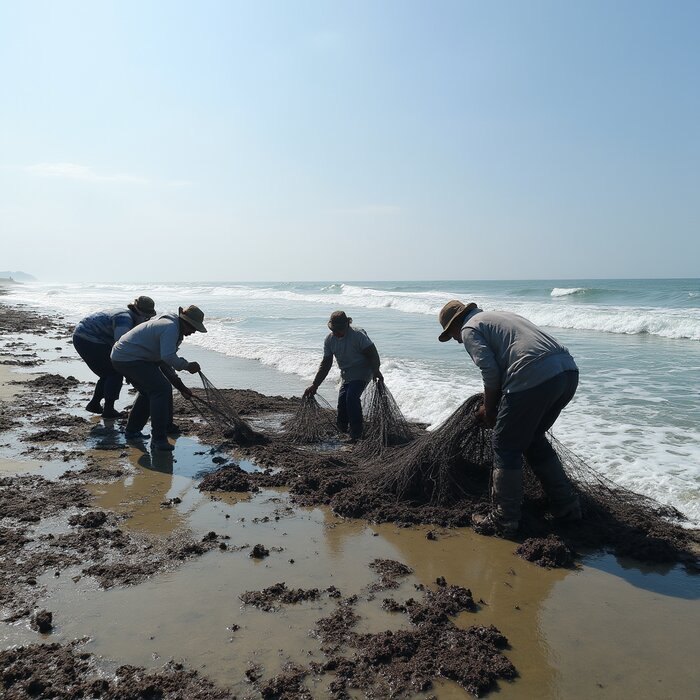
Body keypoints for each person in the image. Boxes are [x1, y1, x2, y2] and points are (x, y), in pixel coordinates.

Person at [437, 299, 581, 537]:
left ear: (455, 324)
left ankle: (504, 519)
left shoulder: (470, 328)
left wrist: (489, 408)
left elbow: (490, 371)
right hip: (567, 373)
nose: (455, 339)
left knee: (505, 445)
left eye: (451, 334)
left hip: (533, 375)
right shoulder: (499, 315)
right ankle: (566, 507)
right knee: (533, 438)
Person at [111, 305, 207, 451]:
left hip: (125, 357)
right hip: (128, 358)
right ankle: (159, 439)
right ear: (185, 322)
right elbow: (168, 357)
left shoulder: (172, 327)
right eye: (193, 327)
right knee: (161, 389)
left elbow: (164, 364)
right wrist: (187, 366)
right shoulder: (170, 328)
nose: (193, 332)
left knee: (148, 392)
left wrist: (182, 388)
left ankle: (132, 431)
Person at [304, 310, 383, 442]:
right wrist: (315, 384)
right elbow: (326, 364)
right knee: (342, 402)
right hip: (347, 374)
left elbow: (373, 354)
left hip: (363, 371)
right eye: (334, 330)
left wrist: (376, 370)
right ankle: (342, 430)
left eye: (339, 330)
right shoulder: (329, 340)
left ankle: (357, 433)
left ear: (347, 325)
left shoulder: (358, 336)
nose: (337, 333)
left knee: (351, 397)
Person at [73, 296, 157, 418]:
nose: (146, 321)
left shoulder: (125, 315)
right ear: (139, 313)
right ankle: (108, 409)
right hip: (88, 338)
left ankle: (95, 403)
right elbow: (120, 346)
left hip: (83, 335)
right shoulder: (124, 319)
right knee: (114, 372)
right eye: (146, 317)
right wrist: (130, 370)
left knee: (107, 372)